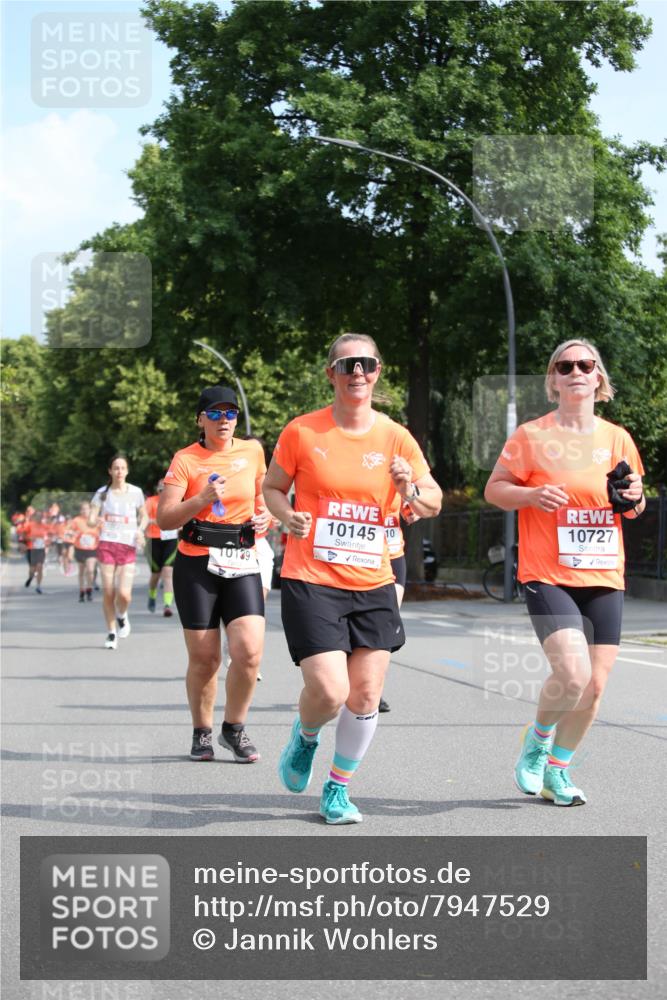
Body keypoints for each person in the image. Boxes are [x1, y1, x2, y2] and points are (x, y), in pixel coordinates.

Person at [263, 333, 442, 824]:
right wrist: (286, 516)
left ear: (378, 370)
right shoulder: (302, 432)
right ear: (331, 374)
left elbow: (432, 502)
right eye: (346, 365)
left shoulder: (395, 436)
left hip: (373, 580)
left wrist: (410, 487)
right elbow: (273, 487)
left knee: (364, 694)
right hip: (312, 576)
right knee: (330, 691)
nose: (357, 372)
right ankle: (305, 735)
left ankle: (337, 789)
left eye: (365, 364)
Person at [484, 339, 645, 807]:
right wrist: (532, 496)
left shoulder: (618, 438)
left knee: (594, 687)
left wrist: (633, 497)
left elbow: (633, 506)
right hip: (547, 571)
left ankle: (558, 770)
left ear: (598, 378)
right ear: (553, 380)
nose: (576, 370)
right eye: (565, 365)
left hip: (603, 574)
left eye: (586, 364)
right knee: (572, 675)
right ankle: (536, 744)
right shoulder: (532, 436)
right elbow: (495, 490)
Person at [157, 386, 269, 763]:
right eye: (216, 414)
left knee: (249, 652)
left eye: (231, 413)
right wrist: (201, 500)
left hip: (241, 561)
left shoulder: (253, 451)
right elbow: (165, 518)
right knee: (205, 658)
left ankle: (233, 729)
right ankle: (201, 732)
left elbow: (262, 497)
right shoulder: (186, 460)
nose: (224, 420)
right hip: (197, 565)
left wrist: (265, 514)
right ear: (200, 419)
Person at [89, 454, 147, 650]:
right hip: (107, 544)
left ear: (127, 471)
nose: (119, 471)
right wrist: (95, 521)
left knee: (124, 595)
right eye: (116, 468)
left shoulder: (136, 492)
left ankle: (122, 615)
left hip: (127, 545)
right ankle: (111, 632)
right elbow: (90, 518)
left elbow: (144, 516)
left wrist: (140, 530)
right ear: (110, 471)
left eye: (122, 468)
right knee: (108, 591)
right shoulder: (102, 493)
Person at [144, 479, 178, 617]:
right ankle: (152, 595)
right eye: (161, 488)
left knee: (168, 572)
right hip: (153, 540)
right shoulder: (151, 501)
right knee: (156, 575)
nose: (163, 490)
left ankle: (167, 605)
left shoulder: (175, 502)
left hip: (170, 540)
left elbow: (181, 519)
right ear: (158, 489)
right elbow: (143, 518)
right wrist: (155, 521)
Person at [70, 502, 99, 602]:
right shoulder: (76, 520)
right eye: (82, 509)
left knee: (90, 570)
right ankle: (82, 591)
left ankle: (89, 589)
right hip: (80, 548)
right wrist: (74, 533)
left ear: (90, 510)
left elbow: (103, 531)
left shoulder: (95, 520)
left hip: (92, 549)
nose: (84, 511)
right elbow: (69, 532)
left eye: (86, 509)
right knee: (81, 571)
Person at [23, 510, 49, 593]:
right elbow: (23, 535)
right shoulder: (29, 525)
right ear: (34, 517)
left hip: (41, 549)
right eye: (37, 516)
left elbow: (49, 536)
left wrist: (48, 541)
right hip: (31, 549)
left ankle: (38, 586)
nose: (39, 518)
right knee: (32, 569)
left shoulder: (44, 526)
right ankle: (30, 577)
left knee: (40, 567)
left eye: (41, 516)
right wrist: (30, 538)